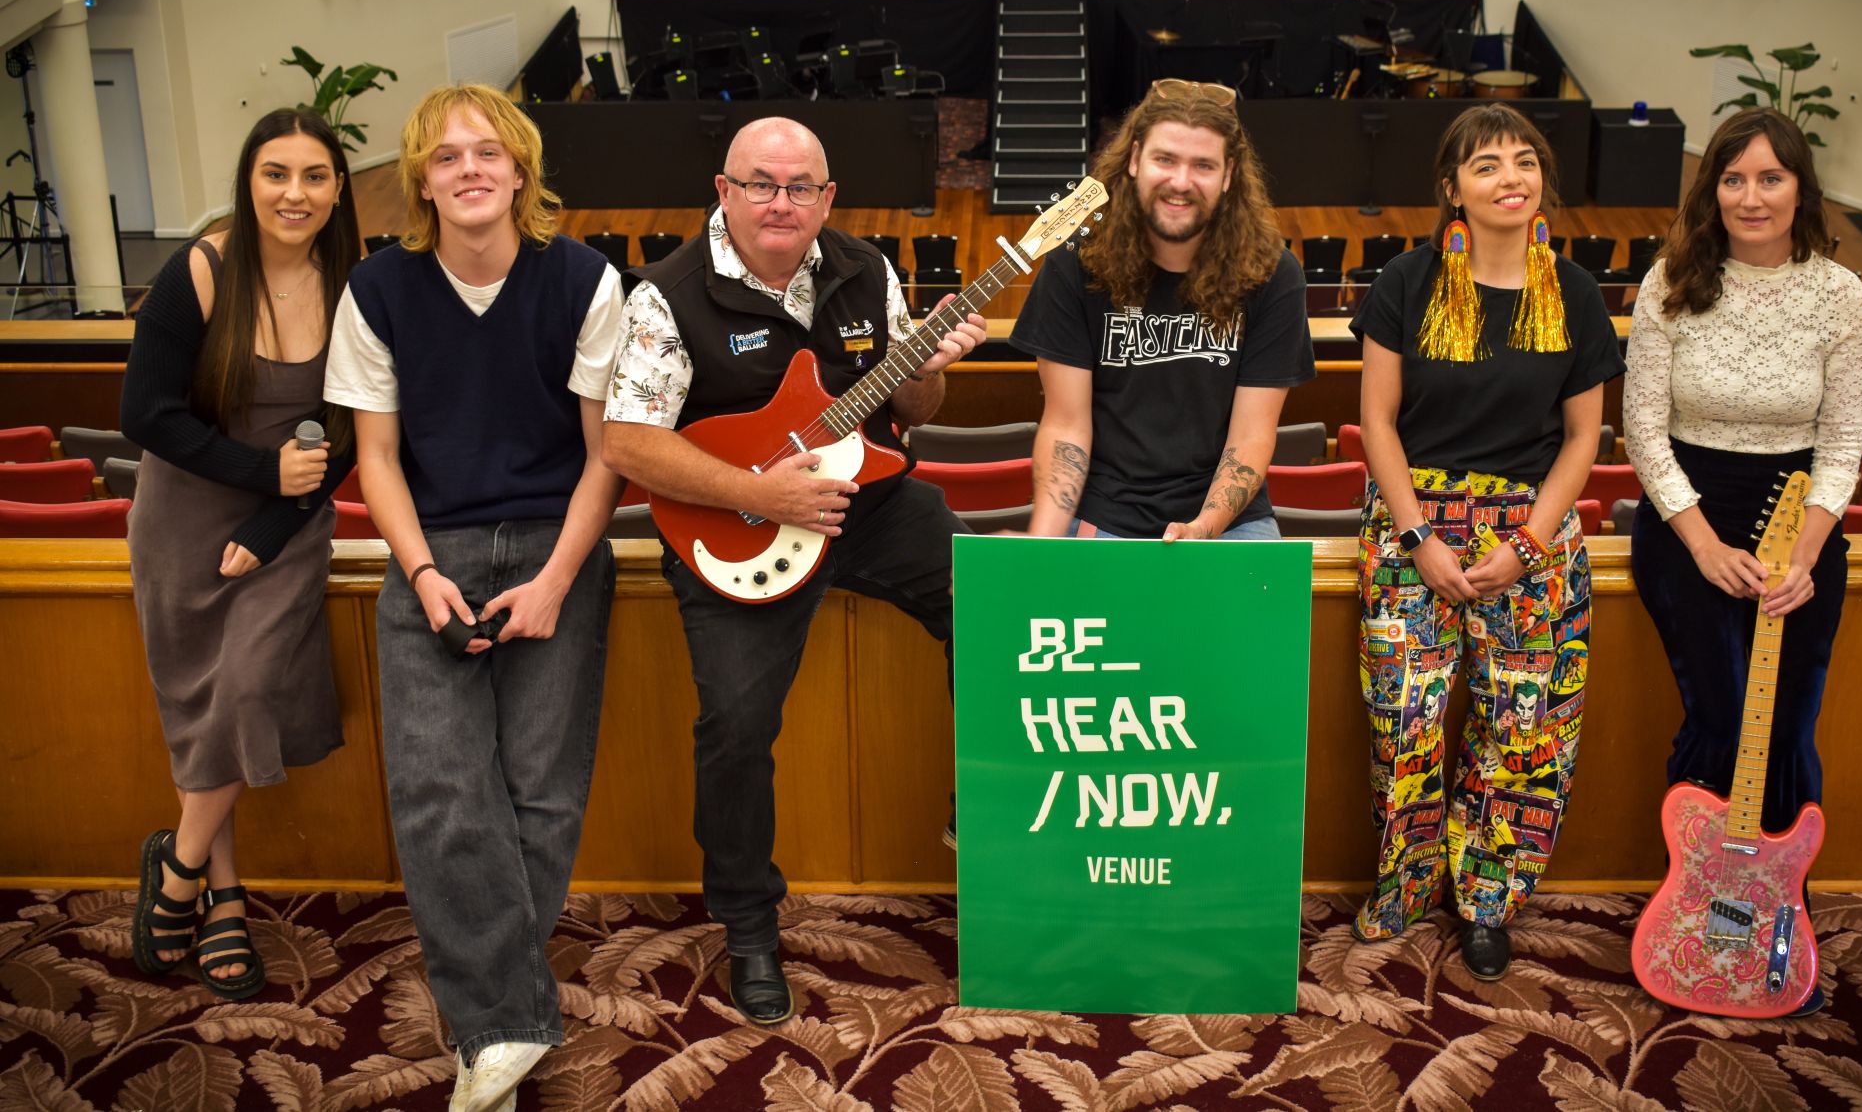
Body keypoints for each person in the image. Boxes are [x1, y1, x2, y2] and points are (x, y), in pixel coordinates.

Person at [601, 116, 985, 1026]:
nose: (782, 202)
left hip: (869, 504)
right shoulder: (663, 295)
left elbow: (915, 407)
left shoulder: (867, 269)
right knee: (735, 724)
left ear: (828, 197)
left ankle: (978, 814)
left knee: (996, 607)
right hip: (736, 522)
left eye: (801, 186)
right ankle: (746, 924)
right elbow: (628, 442)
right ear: (724, 190)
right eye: (762, 183)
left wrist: (927, 368)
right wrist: (759, 494)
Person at [324, 84, 623, 1112]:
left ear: (521, 171)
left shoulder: (586, 280)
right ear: (420, 179)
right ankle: (508, 1022)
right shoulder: (375, 289)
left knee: (541, 792)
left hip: (558, 546)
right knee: (440, 791)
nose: (468, 170)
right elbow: (374, 457)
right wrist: (421, 574)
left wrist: (552, 581)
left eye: (488, 152)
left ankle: (491, 1023)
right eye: (445, 156)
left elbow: (605, 458)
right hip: (432, 548)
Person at [1349, 102, 1622, 981]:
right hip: (1413, 528)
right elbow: (1377, 422)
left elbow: (1585, 438)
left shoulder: (1574, 292)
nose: (1511, 178)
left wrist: (1528, 545)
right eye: (1487, 165)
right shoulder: (1405, 281)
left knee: (1520, 731)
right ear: (1451, 190)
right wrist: (1420, 534)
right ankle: (1403, 881)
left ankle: (1487, 900)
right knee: (1406, 724)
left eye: (1525, 161)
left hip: (1529, 538)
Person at [1624, 107, 1862, 1015]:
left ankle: (1773, 926)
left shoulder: (1842, 295)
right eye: (1734, 178)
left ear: (1800, 187)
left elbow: (1842, 446)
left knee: (1790, 727)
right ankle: (1694, 918)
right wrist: (1703, 542)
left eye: (1770, 178)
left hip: (1798, 527)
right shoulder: (1670, 283)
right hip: (1688, 522)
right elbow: (1643, 432)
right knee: (1724, 716)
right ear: (1711, 189)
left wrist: (1803, 556)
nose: (1751, 196)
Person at [122, 108, 359, 999]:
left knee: (248, 685)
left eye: (314, 175)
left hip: (287, 526)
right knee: (204, 706)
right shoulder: (202, 269)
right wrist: (258, 469)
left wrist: (270, 521)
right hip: (182, 515)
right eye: (275, 174)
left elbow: (355, 433)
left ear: (341, 187)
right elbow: (144, 413)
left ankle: (176, 867)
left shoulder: (356, 286)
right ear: (248, 181)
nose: (294, 194)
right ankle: (222, 897)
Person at [1012, 79, 1314, 540]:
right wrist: (1043, 544)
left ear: (1229, 174)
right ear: (1134, 159)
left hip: (1228, 519)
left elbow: (1251, 437)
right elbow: (1067, 426)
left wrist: (1204, 527)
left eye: (1203, 165)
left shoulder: (1273, 272)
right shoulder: (1074, 262)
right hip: (1106, 514)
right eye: (1165, 159)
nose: (1180, 182)